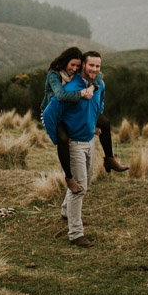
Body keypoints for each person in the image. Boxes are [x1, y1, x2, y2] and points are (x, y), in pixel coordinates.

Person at [42, 50, 112, 247]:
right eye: (91, 65)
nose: (94, 69)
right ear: (83, 66)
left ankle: (66, 211)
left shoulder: (98, 84)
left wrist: (94, 122)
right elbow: (49, 113)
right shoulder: (70, 89)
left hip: (90, 140)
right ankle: (75, 233)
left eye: (98, 66)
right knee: (79, 188)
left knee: (86, 182)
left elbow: (99, 104)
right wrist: (60, 138)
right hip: (75, 144)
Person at [39, 48, 128, 195]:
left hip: (70, 108)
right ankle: (69, 177)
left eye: (77, 66)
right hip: (54, 112)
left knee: (104, 122)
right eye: (72, 65)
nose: (75, 69)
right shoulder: (54, 74)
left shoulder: (82, 76)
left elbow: (99, 77)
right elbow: (60, 95)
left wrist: (92, 89)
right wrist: (82, 93)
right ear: (65, 62)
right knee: (62, 139)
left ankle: (109, 158)